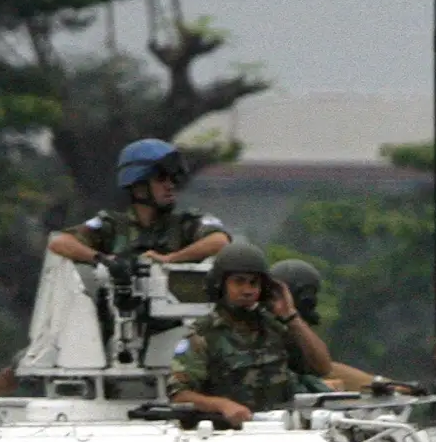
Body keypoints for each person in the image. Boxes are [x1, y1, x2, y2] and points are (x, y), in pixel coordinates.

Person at [167, 242, 332, 424]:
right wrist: (222, 405)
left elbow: (321, 367)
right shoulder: (202, 334)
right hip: (227, 436)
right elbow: (179, 394)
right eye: (239, 281)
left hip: (280, 431)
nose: (248, 290)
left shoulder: (275, 328)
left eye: (254, 283)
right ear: (220, 285)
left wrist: (291, 316)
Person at [47, 139, 231, 267]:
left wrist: (170, 259)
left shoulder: (185, 223)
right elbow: (60, 242)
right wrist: (104, 260)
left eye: (172, 178)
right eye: (161, 179)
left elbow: (220, 241)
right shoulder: (112, 225)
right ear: (138, 186)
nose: (170, 185)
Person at [267, 258, 416, 394]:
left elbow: (324, 366)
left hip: (307, 375)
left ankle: (388, 387)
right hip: (280, 386)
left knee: (384, 388)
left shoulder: (295, 321)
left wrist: (293, 318)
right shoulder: (262, 321)